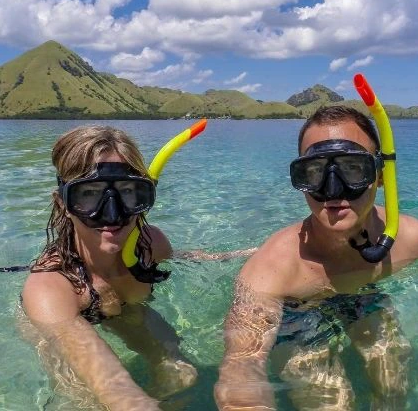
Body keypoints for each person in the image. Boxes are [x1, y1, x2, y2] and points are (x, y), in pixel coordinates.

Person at [215, 105, 418, 410]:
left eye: (353, 169)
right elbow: (241, 365)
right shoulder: (272, 269)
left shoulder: (411, 238)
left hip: (363, 297)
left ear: (380, 176)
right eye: (316, 172)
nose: (334, 191)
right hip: (297, 313)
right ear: (301, 180)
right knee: (332, 401)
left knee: (393, 380)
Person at [21, 125, 252, 411]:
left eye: (128, 192)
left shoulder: (149, 244)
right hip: (66, 323)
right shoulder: (51, 289)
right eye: (89, 194)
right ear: (65, 203)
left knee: (181, 375)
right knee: (87, 401)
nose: (112, 213)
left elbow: (183, 256)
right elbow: (113, 388)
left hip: (127, 309)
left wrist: (236, 255)